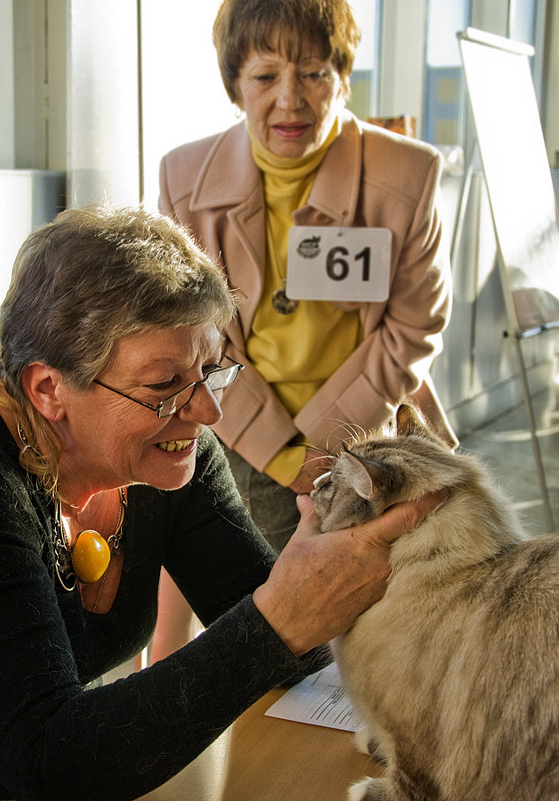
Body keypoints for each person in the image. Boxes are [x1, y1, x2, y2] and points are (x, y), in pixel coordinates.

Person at [0, 204, 443, 801]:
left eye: (211, 372)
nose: (207, 413)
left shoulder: (165, 452)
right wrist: (283, 617)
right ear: (49, 389)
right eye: (164, 385)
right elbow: (50, 761)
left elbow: (279, 645)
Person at [158, 0, 457, 554]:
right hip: (241, 424)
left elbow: (415, 327)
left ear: (342, 78)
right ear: (235, 84)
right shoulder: (183, 177)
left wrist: (327, 444)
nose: (290, 99)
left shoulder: (410, 174)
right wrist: (282, 453)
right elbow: (191, 337)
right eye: (266, 75)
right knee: (264, 609)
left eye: (314, 74)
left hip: (368, 428)